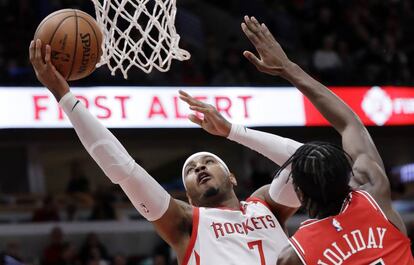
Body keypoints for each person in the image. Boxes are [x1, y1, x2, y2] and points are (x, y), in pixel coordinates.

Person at [29, 18, 305, 263]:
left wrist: (234, 131)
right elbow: (125, 170)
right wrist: (65, 97)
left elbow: (305, 160)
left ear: (232, 177)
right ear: (188, 196)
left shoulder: (265, 206)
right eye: (190, 170)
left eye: (208, 161)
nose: (199, 168)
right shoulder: (187, 223)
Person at [235, 15, 414, 265]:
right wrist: (289, 68)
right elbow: (350, 122)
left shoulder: (294, 257)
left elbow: (349, 124)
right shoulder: (375, 193)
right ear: (348, 177)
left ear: (298, 192)